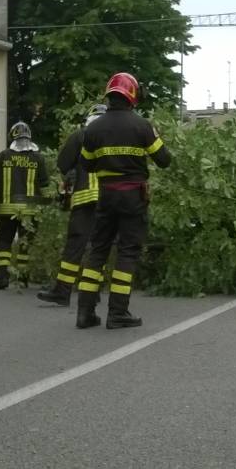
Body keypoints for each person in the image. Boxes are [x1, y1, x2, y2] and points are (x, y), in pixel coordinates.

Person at [75, 73, 172, 329]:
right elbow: (164, 160)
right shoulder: (142, 126)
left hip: (106, 195)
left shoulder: (93, 129)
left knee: (98, 250)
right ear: (132, 96)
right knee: (127, 252)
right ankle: (118, 313)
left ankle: (84, 313)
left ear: (109, 95)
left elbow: (85, 164)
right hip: (133, 196)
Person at [37, 104, 107, 306]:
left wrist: (74, 170)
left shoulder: (80, 136)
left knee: (75, 246)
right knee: (99, 246)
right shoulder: (115, 138)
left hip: (85, 199)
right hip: (109, 201)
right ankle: (93, 291)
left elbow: (63, 163)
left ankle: (62, 291)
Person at [0, 121, 50, 289]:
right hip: (30, 211)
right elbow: (44, 186)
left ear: (13, 137)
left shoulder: (3, 156)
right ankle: (23, 277)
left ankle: (2, 277)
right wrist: (46, 208)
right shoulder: (38, 158)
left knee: (4, 243)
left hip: (6, 209)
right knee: (26, 244)